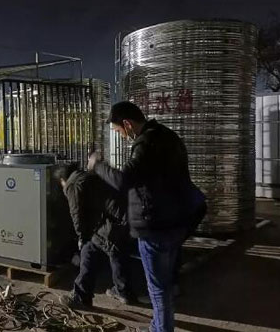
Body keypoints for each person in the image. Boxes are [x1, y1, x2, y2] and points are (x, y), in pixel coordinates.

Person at [88, 101, 205, 332]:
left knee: (157, 288)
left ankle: (161, 329)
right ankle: (158, 325)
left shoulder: (146, 143)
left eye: (119, 131)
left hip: (156, 226)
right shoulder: (169, 137)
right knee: (166, 282)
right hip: (178, 220)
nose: (121, 136)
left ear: (127, 124)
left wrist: (97, 165)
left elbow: (124, 181)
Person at [56, 163, 134, 308]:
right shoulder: (87, 176)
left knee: (90, 248)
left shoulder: (72, 184)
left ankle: (81, 296)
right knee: (117, 250)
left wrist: (81, 237)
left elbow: (76, 214)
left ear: (63, 180)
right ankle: (124, 291)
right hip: (128, 214)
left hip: (115, 218)